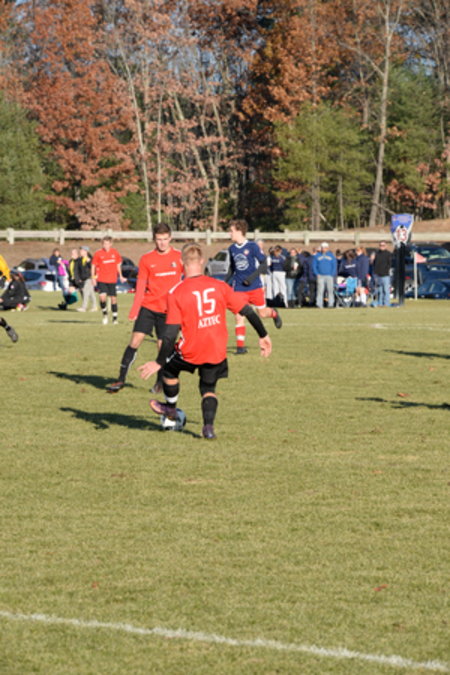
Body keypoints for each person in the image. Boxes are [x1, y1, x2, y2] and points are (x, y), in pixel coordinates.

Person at [138, 243, 272, 439]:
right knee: (208, 389)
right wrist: (263, 335)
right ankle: (208, 428)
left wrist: (159, 361)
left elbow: (170, 334)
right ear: (202, 261)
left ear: (181, 263)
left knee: (168, 370)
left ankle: (171, 408)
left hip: (191, 350)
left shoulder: (176, 292)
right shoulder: (220, 286)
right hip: (216, 349)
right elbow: (247, 311)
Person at [106, 223, 183, 394]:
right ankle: (120, 379)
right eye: (159, 239)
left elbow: (188, 281)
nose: (162, 243)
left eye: (165, 239)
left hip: (169, 311)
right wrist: (135, 310)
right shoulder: (147, 259)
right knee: (134, 341)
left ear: (170, 238)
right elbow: (141, 286)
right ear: (154, 239)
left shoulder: (179, 257)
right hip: (149, 308)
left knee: (162, 347)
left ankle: (159, 383)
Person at [227, 220, 281, 354]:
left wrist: (251, 278)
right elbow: (232, 268)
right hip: (239, 288)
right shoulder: (232, 248)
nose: (229, 233)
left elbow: (264, 264)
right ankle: (240, 348)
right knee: (239, 315)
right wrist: (224, 282)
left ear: (239, 231)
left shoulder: (252, 246)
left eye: (231, 231)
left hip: (255, 286)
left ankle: (274, 313)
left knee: (262, 314)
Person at [91, 236, 125, 325]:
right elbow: (93, 266)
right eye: (104, 244)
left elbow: (118, 265)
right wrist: (93, 277)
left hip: (112, 279)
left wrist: (121, 276)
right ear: (102, 244)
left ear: (111, 244)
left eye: (108, 244)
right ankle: (105, 315)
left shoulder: (115, 253)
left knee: (113, 299)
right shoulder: (98, 253)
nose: (106, 246)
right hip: (101, 279)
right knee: (102, 298)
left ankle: (115, 318)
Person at [313, 242, 337, 308]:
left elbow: (334, 265)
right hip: (320, 276)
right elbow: (314, 266)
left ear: (327, 248)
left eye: (325, 248)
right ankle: (319, 304)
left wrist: (332, 274)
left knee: (330, 290)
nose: (324, 249)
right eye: (323, 247)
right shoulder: (317, 256)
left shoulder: (331, 256)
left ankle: (331, 304)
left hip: (329, 275)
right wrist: (317, 273)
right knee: (320, 290)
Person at [75, 245, 97, 312]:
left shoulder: (91, 259)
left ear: (86, 251)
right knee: (91, 293)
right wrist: (78, 278)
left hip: (89, 278)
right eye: (80, 250)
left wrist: (89, 262)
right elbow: (77, 270)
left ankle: (84, 307)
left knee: (85, 291)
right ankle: (94, 306)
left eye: (82, 250)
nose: (80, 251)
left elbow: (94, 268)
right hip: (83, 279)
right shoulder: (79, 260)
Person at [372, 240, 392, 307]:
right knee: (379, 291)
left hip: (385, 275)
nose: (382, 246)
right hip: (378, 275)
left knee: (386, 290)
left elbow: (389, 264)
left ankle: (386, 304)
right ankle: (380, 303)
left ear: (386, 246)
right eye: (380, 245)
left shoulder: (388, 254)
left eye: (383, 245)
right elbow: (374, 264)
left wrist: (385, 271)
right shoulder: (377, 254)